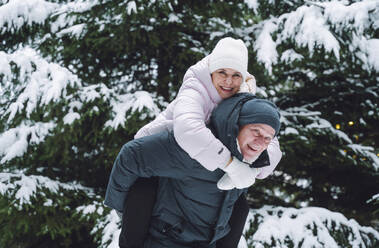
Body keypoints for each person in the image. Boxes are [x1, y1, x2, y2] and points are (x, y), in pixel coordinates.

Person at [116, 37, 283, 247]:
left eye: (236, 75)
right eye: (222, 72)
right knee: (144, 191)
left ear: (243, 77)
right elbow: (188, 131)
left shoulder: (243, 95)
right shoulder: (195, 88)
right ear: (211, 71)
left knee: (240, 206)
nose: (228, 82)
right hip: (167, 148)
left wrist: (252, 171)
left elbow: (271, 140)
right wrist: (232, 165)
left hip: (207, 153)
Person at [104, 93, 281, 248]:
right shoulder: (195, 147)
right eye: (255, 131)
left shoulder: (251, 160)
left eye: (267, 138)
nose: (260, 142)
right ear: (238, 125)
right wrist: (123, 210)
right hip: (164, 240)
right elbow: (131, 155)